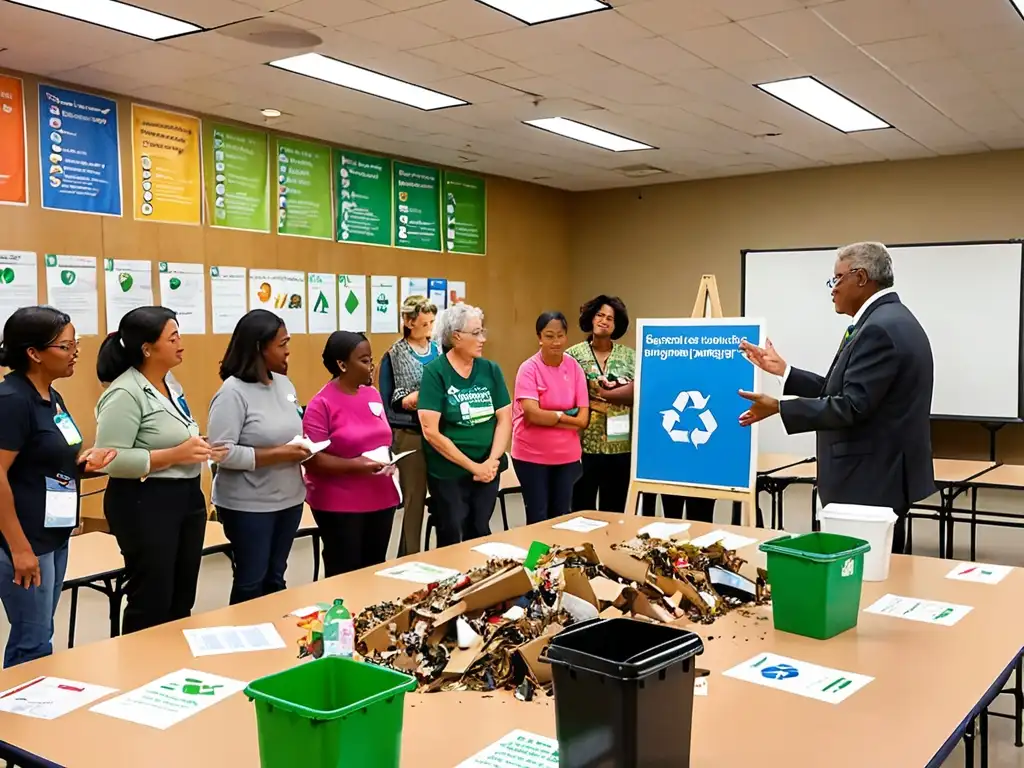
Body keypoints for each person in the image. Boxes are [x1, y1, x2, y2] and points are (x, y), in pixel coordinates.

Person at [738, 242, 935, 554]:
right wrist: (785, 371)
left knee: (862, 575)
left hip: (869, 480)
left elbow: (852, 406)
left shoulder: (879, 329)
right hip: (879, 475)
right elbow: (846, 392)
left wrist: (779, 407)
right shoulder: (890, 319)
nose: (832, 289)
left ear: (860, 277)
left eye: (837, 279)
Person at [95, 307, 225, 633]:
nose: (181, 343)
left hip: (184, 497)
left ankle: (173, 667)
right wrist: (175, 454)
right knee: (152, 598)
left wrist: (197, 445)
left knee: (182, 596)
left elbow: (172, 434)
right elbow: (110, 459)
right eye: (173, 337)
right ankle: (142, 669)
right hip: (144, 501)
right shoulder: (125, 392)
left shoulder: (169, 382)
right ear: (147, 348)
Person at [0, 307, 115, 667]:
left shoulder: (52, 396)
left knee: (41, 631)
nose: (76, 352)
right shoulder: (12, 401)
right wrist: (19, 548)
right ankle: (18, 716)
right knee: (32, 641)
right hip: (24, 538)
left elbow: (47, 460)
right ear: (34, 353)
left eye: (75, 344)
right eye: (66, 346)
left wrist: (84, 464)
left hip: (54, 534)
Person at [208, 310, 310, 605]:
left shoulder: (283, 384)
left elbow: (291, 428)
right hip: (248, 505)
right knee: (251, 581)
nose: (288, 350)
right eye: (282, 343)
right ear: (258, 347)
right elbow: (221, 452)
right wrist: (281, 453)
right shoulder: (232, 393)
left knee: (276, 578)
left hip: (289, 499)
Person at [303, 331, 398, 577]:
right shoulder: (321, 404)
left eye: (371, 359)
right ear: (342, 364)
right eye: (364, 361)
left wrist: (389, 459)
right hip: (340, 503)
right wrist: (356, 465)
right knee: (345, 570)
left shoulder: (372, 394)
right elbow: (312, 459)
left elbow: (381, 438)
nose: (371, 366)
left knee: (374, 568)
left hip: (381, 496)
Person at [419, 304, 511, 546]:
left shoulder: (491, 370)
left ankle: (479, 583)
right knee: (453, 534)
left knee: (480, 531)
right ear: (456, 336)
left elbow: (504, 418)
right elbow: (431, 431)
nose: (482, 339)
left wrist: (491, 462)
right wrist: (473, 467)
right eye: (476, 333)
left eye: (483, 332)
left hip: (488, 469)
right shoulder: (435, 372)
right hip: (450, 472)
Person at [511, 311, 589, 524]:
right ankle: (534, 559)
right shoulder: (529, 369)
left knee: (562, 517)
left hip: (567, 457)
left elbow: (583, 419)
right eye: (549, 336)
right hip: (531, 456)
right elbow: (532, 414)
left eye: (560, 335)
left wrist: (553, 416)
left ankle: (558, 558)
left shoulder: (574, 367)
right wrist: (565, 416)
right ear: (539, 337)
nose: (556, 341)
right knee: (538, 517)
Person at [384, 295, 439, 556]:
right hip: (411, 433)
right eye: (424, 323)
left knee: (443, 498)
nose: (429, 328)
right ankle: (410, 557)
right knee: (414, 500)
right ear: (408, 321)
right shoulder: (396, 354)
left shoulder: (438, 348)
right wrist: (424, 395)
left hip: (440, 430)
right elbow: (396, 400)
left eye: (432, 322)